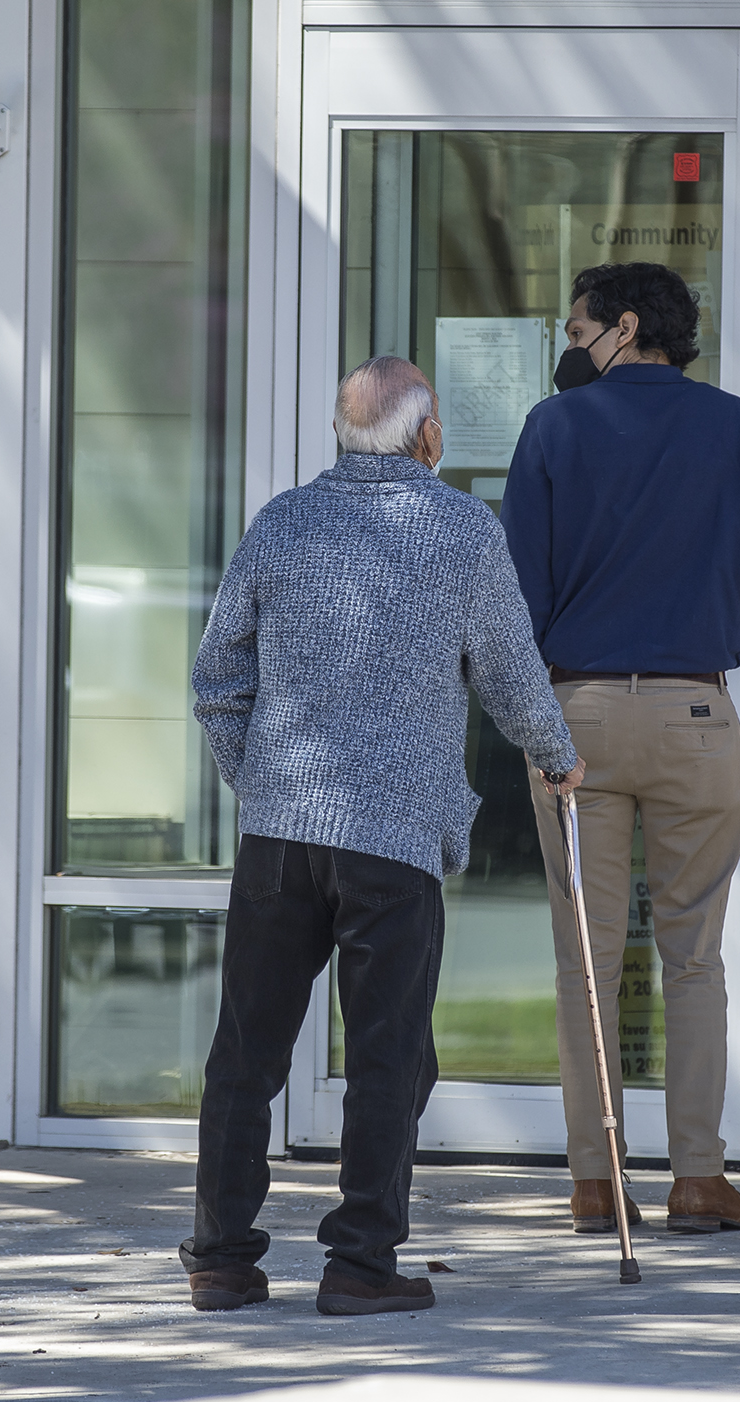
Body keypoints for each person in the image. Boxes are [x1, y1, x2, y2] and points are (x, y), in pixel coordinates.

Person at [183, 356, 582, 1316]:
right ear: (429, 436)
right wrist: (557, 755)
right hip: (392, 837)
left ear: (341, 433)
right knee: (389, 1055)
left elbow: (216, 682)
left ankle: (221, 1259)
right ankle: (360, 1265)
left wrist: (265, 785)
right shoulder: (461, 529)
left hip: (279, 835)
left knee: (246, 1052)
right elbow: (510, 672)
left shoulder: (282, 521)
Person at [499, 263, 740, 1235]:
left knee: (584, 963)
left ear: (624, 326)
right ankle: (698, 1178)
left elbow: (519, 590)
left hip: (576, 715)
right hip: (694, 714)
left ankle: (595, 1183)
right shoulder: (736, 426)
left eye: (576, 327)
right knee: (695, 958)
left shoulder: (553, 427)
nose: (570, 343)